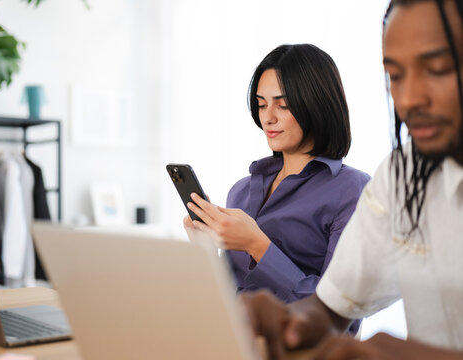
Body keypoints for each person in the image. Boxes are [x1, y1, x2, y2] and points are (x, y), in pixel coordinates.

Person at [242, 0, 463, 358]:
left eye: (436, 69)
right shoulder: (401, 175)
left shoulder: (348, 187)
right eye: (395, 75)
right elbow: (328, 307)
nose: (408, 99)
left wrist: (401, 354)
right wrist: (286, 323)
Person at [184, 43, 370, 332]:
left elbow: (341, 319)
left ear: (316, 104)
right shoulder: (242, 191)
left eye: (282, 105)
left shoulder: (351, 190)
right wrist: (204, 249)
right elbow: (223, 298)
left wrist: (256, 245)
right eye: (261, 104)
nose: (267, 117)